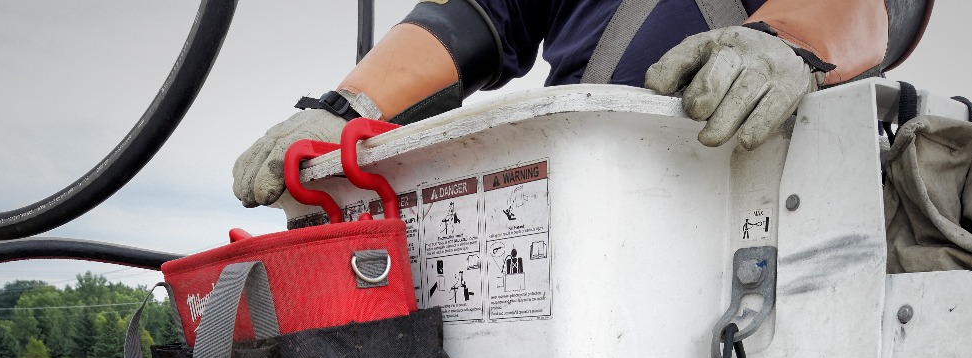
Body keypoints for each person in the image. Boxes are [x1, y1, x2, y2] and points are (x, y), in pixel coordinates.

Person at [233, 0, 935, 214]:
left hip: (750, 212)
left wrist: (789, 41)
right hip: (574, 205)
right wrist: (349, 107)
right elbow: (477, 16)